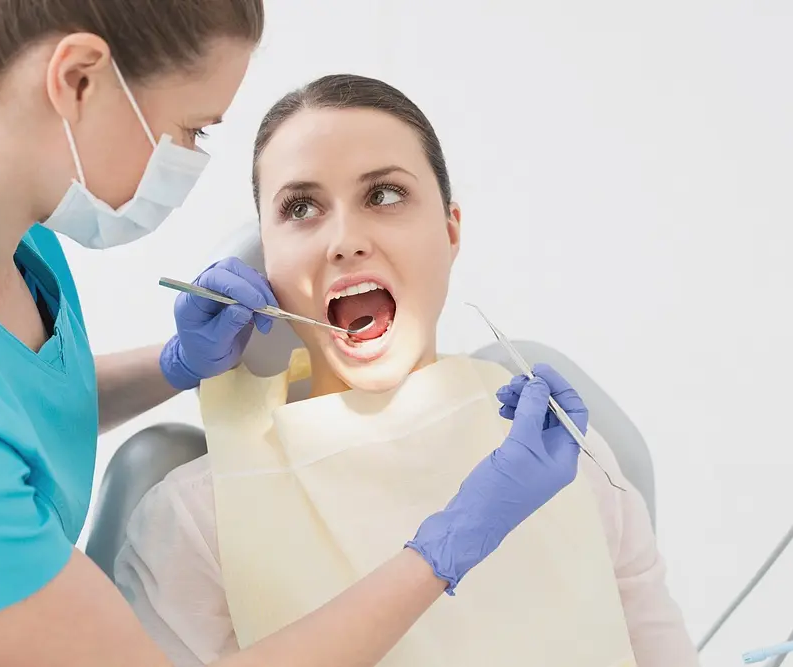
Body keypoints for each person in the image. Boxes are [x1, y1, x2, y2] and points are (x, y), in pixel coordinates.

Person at [0, 3, 586, 666]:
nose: (189, 156)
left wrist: (175, 365)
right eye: (192, 127)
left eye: (383, 195)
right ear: (78, 79)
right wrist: (447, 546)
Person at [116, 74, 700, 666]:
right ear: (267, 262)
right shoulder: (197, 519)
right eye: (302, 208)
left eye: (384, 195)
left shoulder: (560, 456)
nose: (345, 240)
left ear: (450, 231)